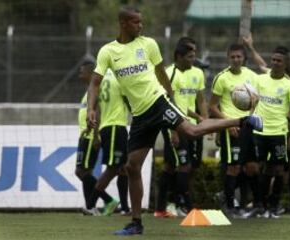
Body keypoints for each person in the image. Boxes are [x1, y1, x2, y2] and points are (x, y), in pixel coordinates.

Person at [87, 6, 263, 235]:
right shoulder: (108, 52)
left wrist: (169, 96)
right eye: (136, 22)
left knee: (191, 131)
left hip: (158, 102)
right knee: (132, 166)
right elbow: (94, 83)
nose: (141, 26)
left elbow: (160, 73)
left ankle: (241, 121)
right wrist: (91, 108)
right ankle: (136, 223)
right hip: (140, 115)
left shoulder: (148, 44)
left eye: (142, 22)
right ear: (123, 23)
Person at [243, 35, 290, 218]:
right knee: (260, 168)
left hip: (281, 134)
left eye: (279, 61)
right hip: (260, 132)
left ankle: (276, 207)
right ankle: (260, 205)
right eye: (273, 60)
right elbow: (260, 70)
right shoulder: (261, 80)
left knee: (281, 169)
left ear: (286, 64)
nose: (275, 63)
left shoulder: (289, 85)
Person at [154, 41, 208, 218]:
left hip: (192, 126)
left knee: (175, 166)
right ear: (179, 57)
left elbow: (200, 100)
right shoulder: (169, 73)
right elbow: (166, 103)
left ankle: (162, 207)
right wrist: (173, 131)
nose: (194, 60)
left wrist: (205, 122)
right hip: (174, 125)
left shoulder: (198, 73)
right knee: (184, 165)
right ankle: (184, 205)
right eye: (190, 57)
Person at [209, 43, 261, 218]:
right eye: (233, 57)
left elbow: (256, 100)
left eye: (239, 56)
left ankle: (257, 206)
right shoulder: (221, 78)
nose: (236, 60)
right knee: (233, 168)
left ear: (244, 58)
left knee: (252, 167)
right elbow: (213, 107)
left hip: (248, 125)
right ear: (228, 58)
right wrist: (227, 124)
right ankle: (230, 207)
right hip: (231, 127)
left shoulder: (252, 77)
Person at [84, 69, 130, 216]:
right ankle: (90, 205)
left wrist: (97, 134)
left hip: (108, 127)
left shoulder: (101, 79)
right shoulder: (120, 77)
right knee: (113, 168)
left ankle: (125, 208)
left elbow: (97, 109)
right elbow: (130, 102)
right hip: (116, 126)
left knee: (123, 168)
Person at [75, 60, 113, 215]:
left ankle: (108, 200)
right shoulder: (89, 91)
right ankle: (91, 207)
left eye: (82, 72)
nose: (80, 75)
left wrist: (96, 134)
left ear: (91, 73)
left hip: (90, 136)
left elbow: (98, 112)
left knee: (81, 172)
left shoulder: (95, 91)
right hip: (86, 134)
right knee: (85, 172)